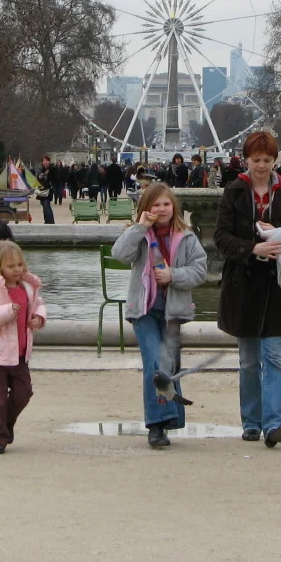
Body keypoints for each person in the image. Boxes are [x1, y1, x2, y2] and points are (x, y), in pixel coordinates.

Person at [215, 130, 281, 448]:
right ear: (246, 159)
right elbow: (221, 238)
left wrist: (278, 233)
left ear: (275, 160)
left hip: (280, 284)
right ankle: (252, 421)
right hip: (245, 284)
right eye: (257, 160)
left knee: (275, 358)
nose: (262, 166)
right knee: (249, 360)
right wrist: (254, 249)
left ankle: (273, 423)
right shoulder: (234, 191)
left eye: (268, 160)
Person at [110, 183, 208, 448]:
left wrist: (173, 275)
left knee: (167, 367)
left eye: (166, 204)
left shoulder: (187, 237)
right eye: (156, 205)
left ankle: (167, 420)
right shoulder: (139, 235)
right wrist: (139, 227)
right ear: (146, 209)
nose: (162, 209)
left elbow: (200, 271)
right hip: (144, 310)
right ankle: (157, 425)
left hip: (173, 311)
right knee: (155, 364)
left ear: (173, 206)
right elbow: (119, 254)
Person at [0, 241, 47, 454]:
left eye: (20, 265)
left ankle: (3, 426)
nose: (17, 270)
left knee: (24, 392)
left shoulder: (28, 286)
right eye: (11, 266)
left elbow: (38, 304)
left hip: (20, 353)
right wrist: (5, 312)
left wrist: (39, 318)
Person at [36, 156, 56, 224]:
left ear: (49, 161)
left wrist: (46, 178)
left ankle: (51, 221)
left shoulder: (52, 169)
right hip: (42, 189)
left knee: (46, 204)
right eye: (43, 161)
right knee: (43, 205)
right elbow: (38, 179)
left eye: (46, 160)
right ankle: (46, 220)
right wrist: (39, 177)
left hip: (48, 189)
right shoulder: (42, 170)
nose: (44, 162)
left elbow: (55, 178)